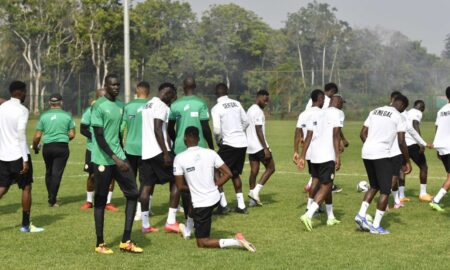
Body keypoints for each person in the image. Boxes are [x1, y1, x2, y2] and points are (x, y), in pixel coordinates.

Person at [174, 126, 256, 252]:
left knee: (202, 242)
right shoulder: (210, 153)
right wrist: (214, 186)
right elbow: (228, 173)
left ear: (185, 139)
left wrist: (197, 189)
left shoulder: (179, 158)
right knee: (193, 198)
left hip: (202, 205)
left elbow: (180, 187)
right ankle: (188, 230)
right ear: (199, 139)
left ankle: (236, 242)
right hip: (215, 198)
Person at [90, 74, 142, 254]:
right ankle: (100, 243)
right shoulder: (98, 106)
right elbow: (98, 136)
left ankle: (126, 240)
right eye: (113, 84)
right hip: (103, 159)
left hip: (119, 157)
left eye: (118, 84)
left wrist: (122, 155)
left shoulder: (122, 106)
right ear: (105, 85)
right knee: (101, 201)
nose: (116, 87)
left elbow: (119, 134)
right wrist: (115, 158)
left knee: (133, 194)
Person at [355, 94, 412, 235]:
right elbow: (401, 142)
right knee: (385, 190)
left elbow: (362, 133)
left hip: (366, 152)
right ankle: (375, 226)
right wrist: (407, 161)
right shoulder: (399, 117)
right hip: (381, 154)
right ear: (403, 106)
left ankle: (361, 215)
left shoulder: (374, 111)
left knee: (374, 185)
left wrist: (371, 145)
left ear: (392, 101)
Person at [168, 77, 214, 239]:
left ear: (182, 86)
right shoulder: (201, 103)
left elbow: (169, 128)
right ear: (195, 86)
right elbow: (205, 127)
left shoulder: (175, 105)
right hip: (198, 149)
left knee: (178, 185)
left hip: (180, 149)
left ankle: (172, 219)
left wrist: (178, 140)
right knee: (198, 187)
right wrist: (211, 145)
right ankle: (190, 221)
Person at [0, 81, 44, 233]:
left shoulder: (2, 107)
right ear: (20, 92)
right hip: (18, 155)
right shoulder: (22, 110)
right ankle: (25, 225)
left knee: (2, 188)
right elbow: (20, 135)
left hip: (3, 155)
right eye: (25, 91)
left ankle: (26, 225)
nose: (26, 94)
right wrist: (25, 159)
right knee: (26, 187)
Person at [297, 95, 344, 231]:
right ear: (338, 102)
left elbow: (309, 136)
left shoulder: (317, 113)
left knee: (322, 183)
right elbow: (336, 135)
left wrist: (303, 155)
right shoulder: (338, 113)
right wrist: (337, 156)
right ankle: (308, 214)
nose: (342, 106)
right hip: (327, 155)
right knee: (327, 185)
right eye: (342, 103)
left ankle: (330, 217)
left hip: (315, 155)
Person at [141, 82, 179, 233]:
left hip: (146, 153)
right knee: (178, 178)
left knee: (146, 187)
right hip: (159, 151)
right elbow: (158, 128)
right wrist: (165, 153)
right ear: (168, 93)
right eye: (172, 97)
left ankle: (145, 225)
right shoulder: (162, 106)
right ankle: (170, 221)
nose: (171, 101)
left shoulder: (147, 105)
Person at [211, 83, 249, 214]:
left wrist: (218, 141)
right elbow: (247, 121)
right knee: (235, 173)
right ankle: (241, 205)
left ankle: (223, 204)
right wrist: (239, 132)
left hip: (229, 143)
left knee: (215, 169)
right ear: (227, 91)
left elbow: (216, 130)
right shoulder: (237, 103)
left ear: (215, 93)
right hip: (242, 143)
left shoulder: (216, 108)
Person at [32, 93, 75, 207]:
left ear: (50, 103)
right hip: (62, 147)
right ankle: (52, 199)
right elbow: (72, 134)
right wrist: (63, 138)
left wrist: (35, 146)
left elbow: (37, 136)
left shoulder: (44, 116)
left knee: (49, 171)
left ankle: (51, 197)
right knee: (57, 173)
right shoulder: (67, 116)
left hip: (48, 147)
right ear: (61, 102)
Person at [80, 89, 118, 211]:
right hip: (93, 149)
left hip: (110, 149)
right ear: (97, 98)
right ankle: (89, 201)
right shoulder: (89, 111)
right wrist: (96, 138)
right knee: (92, 176)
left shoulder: (114, 109)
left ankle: (108, 202)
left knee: (111, 176)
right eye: (101, 96)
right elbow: (83, 129)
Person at [120, 82, 151, 221]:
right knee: (145, 181)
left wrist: (120, 144)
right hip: (148, 149)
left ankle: (132, 208)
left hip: (130, 148)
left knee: (131, 180)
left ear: (137, 91)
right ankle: (141, 210)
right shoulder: (152, 106)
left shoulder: (128, 106)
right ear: (148, 92)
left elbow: (121, 128)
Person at [293, 90, 324, 214]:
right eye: (323, 99)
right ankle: (311, 206)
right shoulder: (322, 114)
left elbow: (297, 132)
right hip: (320, 152)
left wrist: (296, 151)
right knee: (319, 181)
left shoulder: (303, 114)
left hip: (308, 153)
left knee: (315, 178)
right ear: (320, 99)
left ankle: (315, 205)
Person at [246, 90, 275, 206]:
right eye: (264, 100)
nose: (266, 102)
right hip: (259, 146)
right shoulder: (258, 111)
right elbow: (258, 130)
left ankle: (252, 199)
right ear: (257, 97)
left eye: (267, 100)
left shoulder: (249, 110)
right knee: (271, 168)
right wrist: (265, 148)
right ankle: (255, 192)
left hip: (250, 145)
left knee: (254, 171)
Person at [402, 100, 432, 202]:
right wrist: (421, 143)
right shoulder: (418, 112)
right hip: (412, 144)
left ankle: (401, 196)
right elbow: (415, 124)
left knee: (402, 168)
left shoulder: (408, 112)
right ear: (422, 107)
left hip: (402, 144)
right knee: (423, 167)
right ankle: (423, 194)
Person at [429, 86, 450, 212]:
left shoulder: (441, 111)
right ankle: (436, 200)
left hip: (442, 146)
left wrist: (437, 148)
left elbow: (437, 129)